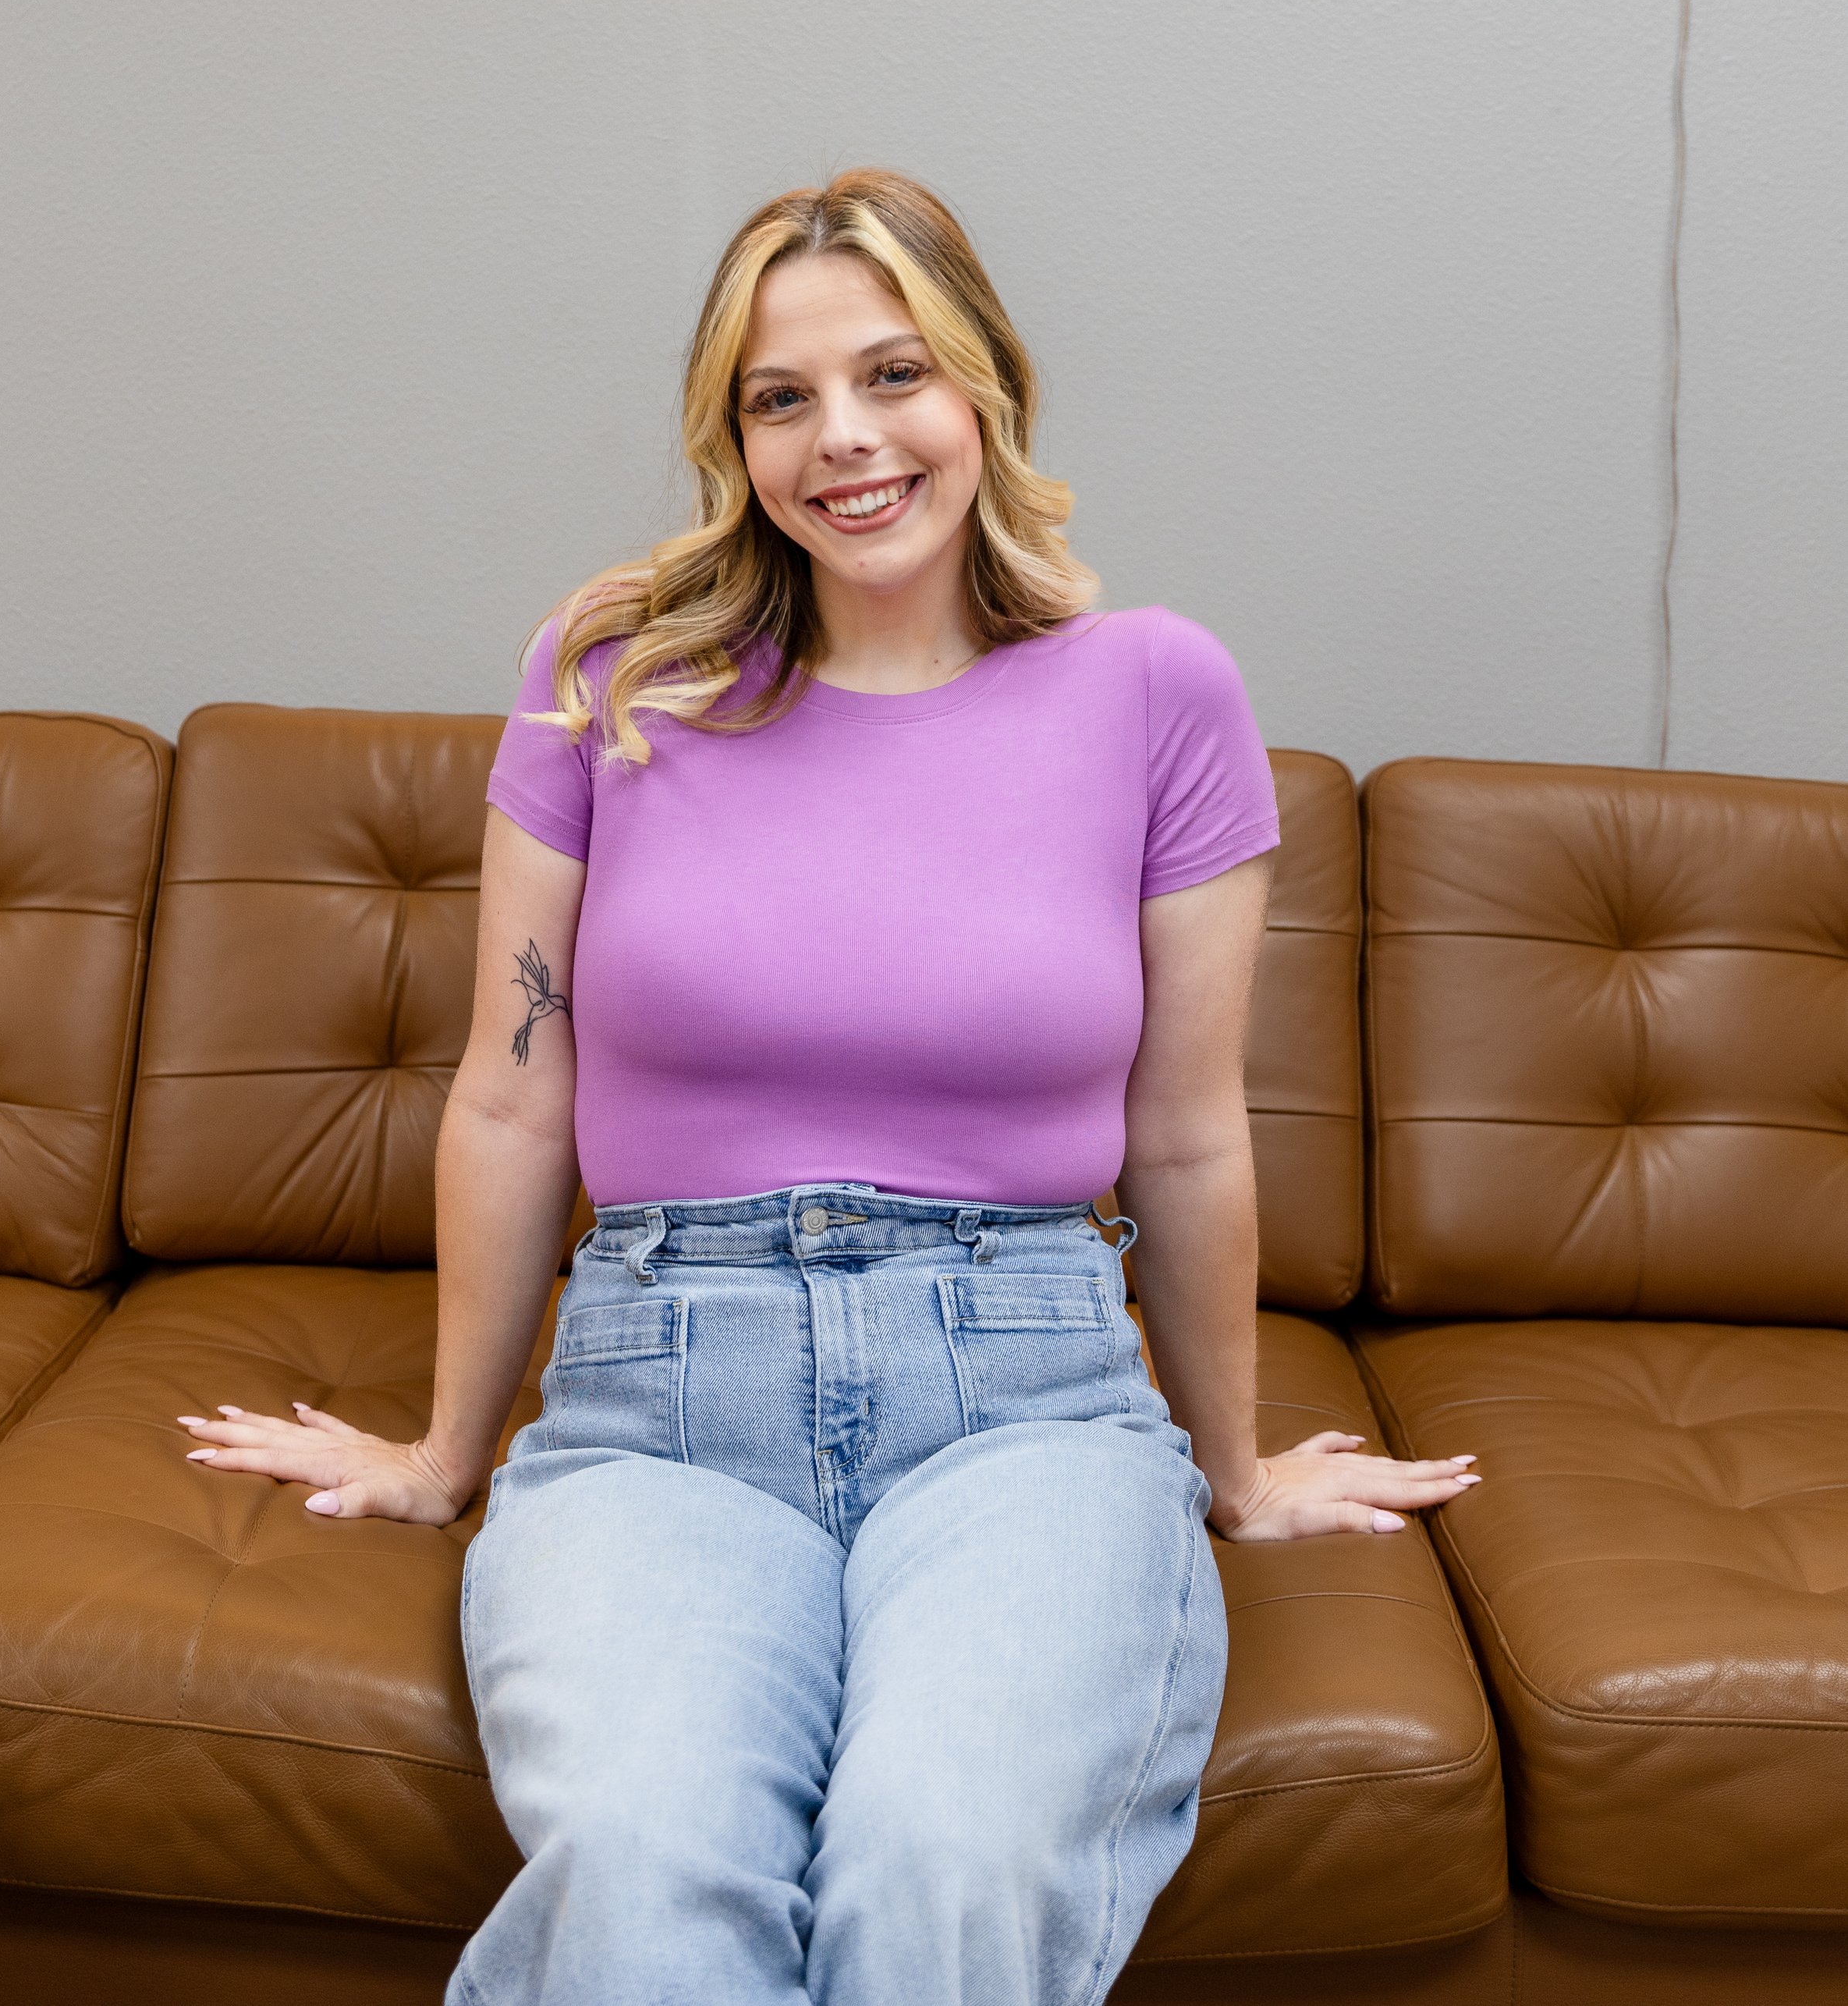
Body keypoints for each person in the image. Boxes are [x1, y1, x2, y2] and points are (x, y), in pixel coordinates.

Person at [178, 169, 1478, 2006]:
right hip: (654, 1397)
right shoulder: (614, 671)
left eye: (892, 376)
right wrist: (441, 1454)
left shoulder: (1152, 691)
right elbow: (509, 1095)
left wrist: (1235, 1465)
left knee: (941, 1866)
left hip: (1027, 1392)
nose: (843, 440)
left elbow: (1185, 1130)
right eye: (780, 400)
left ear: (983, 392)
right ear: (733, 441)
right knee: (638, 1876)